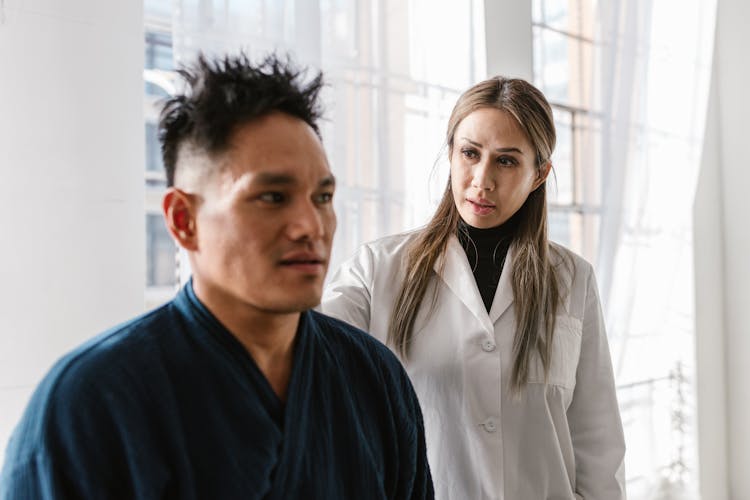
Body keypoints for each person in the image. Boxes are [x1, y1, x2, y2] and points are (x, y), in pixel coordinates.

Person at [0, 53, 433, 499]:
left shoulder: (373, 378)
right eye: (272, 196)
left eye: (322, 196)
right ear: (183, 219)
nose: (312, 225)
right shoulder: (91, 403)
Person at [322, 76, 626, 499]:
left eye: (506, 161)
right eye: (470, 153)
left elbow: (598, 443)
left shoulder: (573, 278)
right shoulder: (376, 270)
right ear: (450, 153)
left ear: (539, 174)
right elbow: (307, 360)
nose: (482, 180)